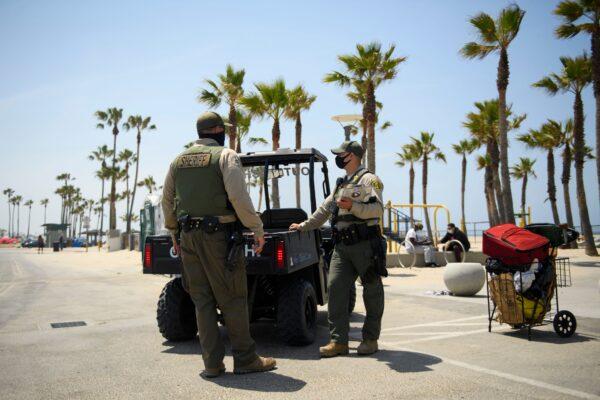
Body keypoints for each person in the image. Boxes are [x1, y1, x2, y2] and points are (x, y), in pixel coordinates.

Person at [162, 111, 276, 378]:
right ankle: (246, 359)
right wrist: (257, 228)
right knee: (233, 297)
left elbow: (167, 200)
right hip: (218, 237)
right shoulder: (226, 156)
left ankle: (212, 364)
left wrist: (174, 234)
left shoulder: (177, 161)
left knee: (202, 300)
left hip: (188, 235)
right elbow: (238, 196)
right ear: (217, 131)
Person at [290, 140, 385, 358]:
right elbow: (325, 210)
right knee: (335, 289)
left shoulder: (370, 179)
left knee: (372, 292)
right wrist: (303, 226)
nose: (339, 158)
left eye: (341, 154)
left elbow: (378, 209)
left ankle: (370, 340)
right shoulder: (341, 183)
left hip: (365, 245)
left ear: (352, 155)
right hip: (342, 246)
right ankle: (339, 341)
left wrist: (354, 206)